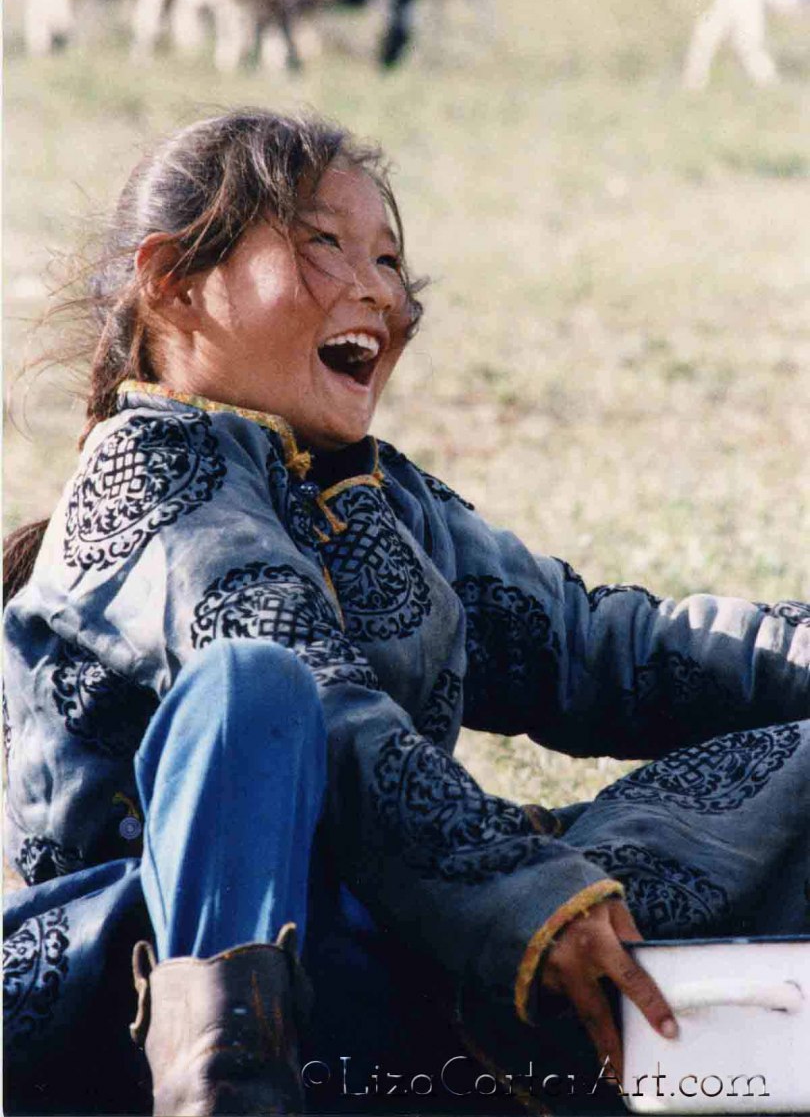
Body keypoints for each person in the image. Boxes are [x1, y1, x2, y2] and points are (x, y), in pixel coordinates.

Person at [3, 107, 808, 1117]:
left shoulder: (382, 500)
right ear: (172, 281)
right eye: (323, 245)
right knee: (255, 690)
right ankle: (223, 1090)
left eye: (388, 259)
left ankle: (688, 1058)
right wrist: (522, 890)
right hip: (128, 1005)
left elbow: (605, 648)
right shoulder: (144, 472)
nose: (381, 292)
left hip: (379, 977)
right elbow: (322, 696)